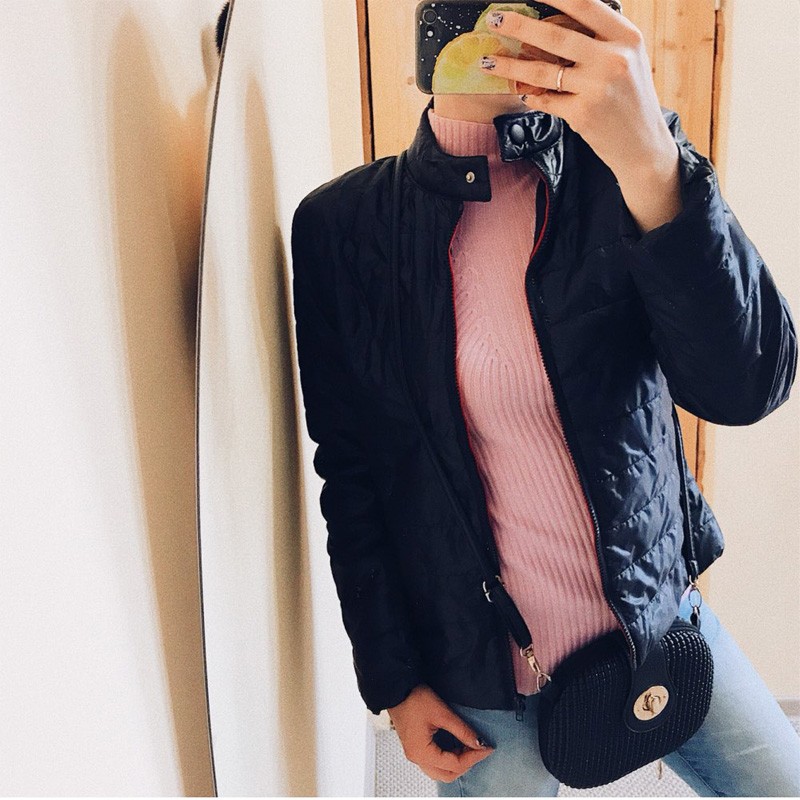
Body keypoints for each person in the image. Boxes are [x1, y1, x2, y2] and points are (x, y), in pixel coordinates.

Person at [290, 0, 800, 795]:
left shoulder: (624, 172)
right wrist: (394, 681)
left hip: (662, 621)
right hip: (488, 680)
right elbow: (349, 470)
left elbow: (746, 386)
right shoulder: (344, 227)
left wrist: (653, 162)